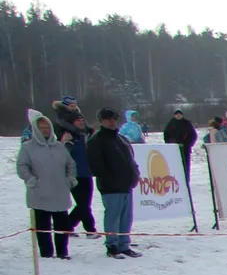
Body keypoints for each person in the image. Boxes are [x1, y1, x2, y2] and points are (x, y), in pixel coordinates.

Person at [17, 109, 77, 260]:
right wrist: (31, 180)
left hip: (60, 192)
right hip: (39, 193)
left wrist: (70, 180)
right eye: (42, 128)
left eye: (47, 127)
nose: (45, 130)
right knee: (43, 227)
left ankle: (62, 252)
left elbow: (71, 165)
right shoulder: (27, 147)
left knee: (62, 225)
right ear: (36, 129)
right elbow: (22, 166)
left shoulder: (59, 146)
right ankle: (46, 254)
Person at [87, 108, 141, 259]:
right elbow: (96, 165)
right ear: (102, 121)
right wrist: (111, 178)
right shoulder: (96, 141)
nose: (111, 121)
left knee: (126, 217)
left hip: (126, 185)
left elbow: (131, 159)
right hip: (111, 187)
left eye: (113, 118)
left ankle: (124, 244)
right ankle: (112, 245)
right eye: (108, 119)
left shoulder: (121, 139)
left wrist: (134, 174)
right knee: (113, 217)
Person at [50, 100, 99, 239]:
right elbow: (60, 154)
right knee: (83, 204)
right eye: (78, 121)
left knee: (85, 203)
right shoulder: (69, 137)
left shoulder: (86, 135)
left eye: (82, 120)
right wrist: (65, 143)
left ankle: (67, 226)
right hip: (74, 175)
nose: (81, 122)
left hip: (87, 173)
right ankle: (90, 229)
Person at [162, 109, 197, 182]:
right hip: (174, 149)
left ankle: (186, 180)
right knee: (175, 165)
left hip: (185, 149)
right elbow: (166, 136)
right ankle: (176, 180)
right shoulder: (171, 124)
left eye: (180, 114)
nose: (178, 116)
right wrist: (171, 144)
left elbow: (193, 136)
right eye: (177, 114)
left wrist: (188, 144)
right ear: (174, 115)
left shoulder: (187, 123)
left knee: (185, 165)